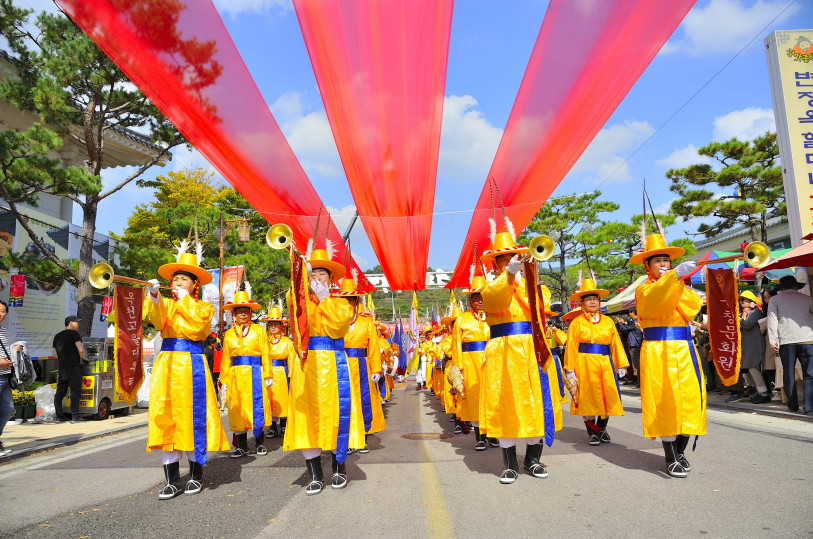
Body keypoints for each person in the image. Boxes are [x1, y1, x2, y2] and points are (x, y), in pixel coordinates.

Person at [144, 244, 230, 500]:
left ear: (194, 284)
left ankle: (195, 476)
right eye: (175, 279)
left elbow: (198, 330)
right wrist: (155, 297)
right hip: (168, 365)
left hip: (192, 364)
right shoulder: (167, 304)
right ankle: (171, 481)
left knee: (194, 419)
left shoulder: (204, 307)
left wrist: (182, 301)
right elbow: (157, 320)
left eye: (184, 279)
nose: (178, 282)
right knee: (167, 418)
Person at [480, 228, 553, 484]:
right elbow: (494, 300)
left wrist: (525, 276)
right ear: (496, 264)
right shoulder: (491, 287)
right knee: (506, 406)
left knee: (536, 405)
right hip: (504, 352)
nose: (513, 262)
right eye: (505, 260)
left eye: (516, 258)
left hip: (532, 351)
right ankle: (509, 464)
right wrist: (509, 274)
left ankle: (533, 460)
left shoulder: (534, 286)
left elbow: (541, 305)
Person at [283, 243, 355, 495]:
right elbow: (293, 312)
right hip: (305, 364)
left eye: (321, 273)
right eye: (312, 273)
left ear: (331, 278)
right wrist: (299, 277)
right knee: (307, 418)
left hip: (332, 364)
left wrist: (324, 298)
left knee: (336, 415)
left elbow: (338, 327)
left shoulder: (341, 303)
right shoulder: (298, 300)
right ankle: (315, 475)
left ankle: (339, 470)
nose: (316, 278)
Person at [631, 232, 703, 478]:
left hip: (684, 349)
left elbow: (693, 307)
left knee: (690, 401)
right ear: (647, 267)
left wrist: (678, 279)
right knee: (665, 402)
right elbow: (656, 300)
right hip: (658, 350)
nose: (663, 265)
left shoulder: (678, 286)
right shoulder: (643, 290)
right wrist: (674, 277)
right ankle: (670, 456)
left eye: (666, 261)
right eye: (657, 261)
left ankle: (680, 452)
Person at [564, 278, 628, 446]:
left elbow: (616, 344)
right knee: (588, 397)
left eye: (595, 299)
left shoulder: (608, 321)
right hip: (584, 363)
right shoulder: (577, 323)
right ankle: (592, 432)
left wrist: (620, 364)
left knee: (607, 396)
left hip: (606, 363)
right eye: (588, 299)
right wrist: (569, 370)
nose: (592, 302)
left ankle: (602, 429)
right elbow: (571, 346)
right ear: (582, 302)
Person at [220, 285, 273, 457]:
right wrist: (224, 381)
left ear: (250, 313)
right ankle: (241, 446)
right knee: (237, 410)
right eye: (239, 311)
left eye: (245, 311)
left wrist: (268, 375)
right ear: (234, 314)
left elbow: (266, 353)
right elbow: (226, 359)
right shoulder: (228, 334)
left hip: (255, 373)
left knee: (257, 407)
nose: (242, 314)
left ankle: (259, 443)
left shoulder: (258, 331)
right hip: (235, 375)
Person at [336, 276, 385, 454]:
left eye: (351, 300)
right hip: (342, 365)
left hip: (363, 366)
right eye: (345, 300)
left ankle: (362, 438)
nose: (348, 303)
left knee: (363, 400)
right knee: (344, 402)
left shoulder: (366, 322)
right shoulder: (335, 322)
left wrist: (377, 369)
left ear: (357, 302)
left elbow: (373, 347)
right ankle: (346, 439)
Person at [766, 275, 813, 415]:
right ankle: (809, 407)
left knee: (788, 373)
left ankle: (793, 405)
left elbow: (772, 320)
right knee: (809, 374)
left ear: (781, 288)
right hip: (807, 338)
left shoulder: (775, 299)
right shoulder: (807, 299)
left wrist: (773, 340)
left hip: (787, 340)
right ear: (795, 286)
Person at [457, 276, 490, 450]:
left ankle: (493, 434)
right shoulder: (462, 319)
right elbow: (456, 345)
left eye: (482, 296)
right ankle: (480, 437)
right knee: (475, 400)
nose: (479, 301)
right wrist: (459, 369)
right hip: (470, 364)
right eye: (476, 297)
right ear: (470, 300)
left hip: (492, 362)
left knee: (493, 399)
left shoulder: (495, 315)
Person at [734, 291, 771, 404]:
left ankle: (763, 392)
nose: (741, 302)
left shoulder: (755, 312)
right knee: (751, 368)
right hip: (748, 344)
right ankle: (759, 391)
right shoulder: (745, 313)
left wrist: (738, 319)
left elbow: (748, 324)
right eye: (740, 300)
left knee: (753, 368)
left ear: (750, 301)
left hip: (755, 344)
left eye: (743, 300)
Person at [265, 304, 296, 438]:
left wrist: (292, 375)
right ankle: (272, 427)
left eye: (275, 324)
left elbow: (292, 359)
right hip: (269, 372)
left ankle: (284, 426)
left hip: (283, 373)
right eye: (271, 324)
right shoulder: (265, 341)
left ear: (281, 326)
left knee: (283, 399)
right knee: (270, 399)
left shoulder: (287, 342)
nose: (273, 327)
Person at [52, 315, 89, 424]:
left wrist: (65, 358)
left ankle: (59, 416)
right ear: (71, 322)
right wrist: (85, 359)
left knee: (60, 393)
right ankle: (75, 417)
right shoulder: (74, 334)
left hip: (62, 368)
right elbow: (81, 349)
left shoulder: (57, 336)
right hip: (74, 368)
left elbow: (54, 355)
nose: (79, 325)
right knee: (75, 392)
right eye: (77, 322)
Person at [0, 300, 23, 455]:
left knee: (8, 409)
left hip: (6, 377)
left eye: (2, 311)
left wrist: (13, 349)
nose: (0, 314)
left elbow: (5, 351)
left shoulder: (4, 331)